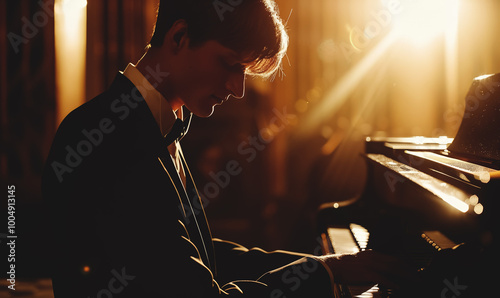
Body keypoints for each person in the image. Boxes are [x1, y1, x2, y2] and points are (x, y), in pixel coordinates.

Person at [42, 0, 416, 297]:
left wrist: (325, 266)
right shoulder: (110, 139)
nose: (238, 88)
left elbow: (191, 255)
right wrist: (321, 277)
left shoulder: (150, 123)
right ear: (179, 37)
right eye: (229, 64)